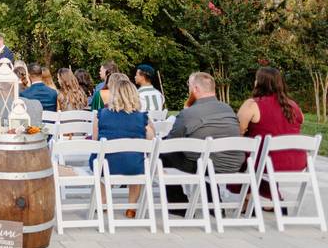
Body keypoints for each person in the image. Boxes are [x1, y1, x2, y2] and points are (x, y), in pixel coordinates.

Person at [161, 72, 245, 206]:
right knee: (204, 157)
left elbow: (171, 143)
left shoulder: (189, 113)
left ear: (195, 89)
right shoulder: (228, 109)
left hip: (205, 165)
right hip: (233, 164)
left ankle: (179, 205)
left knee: (162, 154)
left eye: (189, 85)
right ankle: (213, 204)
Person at [90, 73, 154, 217]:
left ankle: (104, 202)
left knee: (101, 160)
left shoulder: (101, 114)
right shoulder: (141, 117)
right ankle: (131, 207)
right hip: (134, 165)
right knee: (136, 160)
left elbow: (95, 141)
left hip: (107, 164)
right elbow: (151, 139)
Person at [238, 66, 305, 202]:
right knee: (264, 154)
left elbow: (237, 131)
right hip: (296, 162)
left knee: (241, 153)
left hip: (266, 162)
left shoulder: (252, 104)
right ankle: (271, 198)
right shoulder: (294, 105)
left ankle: (248, 198)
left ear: (259, 83)